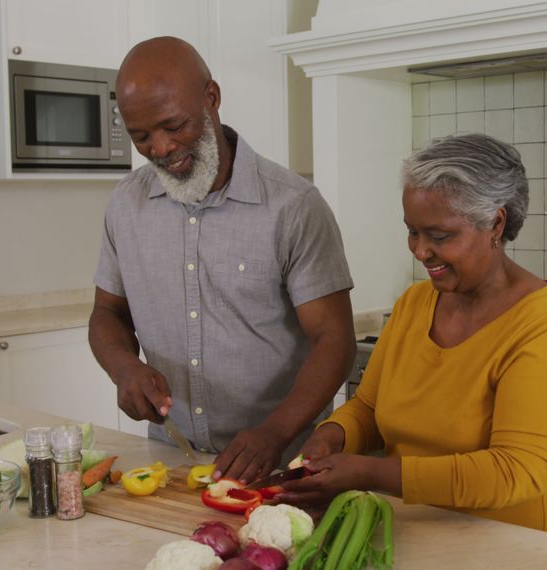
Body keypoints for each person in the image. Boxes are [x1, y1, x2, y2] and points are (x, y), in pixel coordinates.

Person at [278, 133, 547, 537]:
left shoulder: (544, 327)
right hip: (417, 531)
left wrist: (369, 472)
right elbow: (370, 409)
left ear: (495, 223)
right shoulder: (414, 304)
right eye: (413, 231)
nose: (420, 251)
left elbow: (515, 471)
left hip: (524, 547)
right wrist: (332, 436)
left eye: (440, 236)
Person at [89, 37, 356, 484]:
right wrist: (124, 368)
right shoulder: (125, 204)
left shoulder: (293, 205)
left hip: (281, 462)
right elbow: (107, 312)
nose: (160, 148)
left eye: (174, 125)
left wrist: (274, 432)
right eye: (141, 136)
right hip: (169, 459)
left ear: (211, 98)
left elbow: (335, 340)